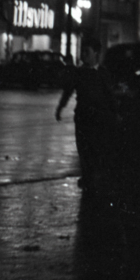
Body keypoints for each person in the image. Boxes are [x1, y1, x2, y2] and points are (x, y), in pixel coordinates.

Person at [55, 37, 119, 198]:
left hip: (99, 118)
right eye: (83, 51)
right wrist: (60, 107)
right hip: (83, 117)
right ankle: (89, 178)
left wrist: (115, 113)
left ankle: (94, 179)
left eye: (87, 52)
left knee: (96, 149)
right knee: (84, 149)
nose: (83, 55)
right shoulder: (80, 73)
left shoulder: (103, 73)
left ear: (95, 54)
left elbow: (110, 95)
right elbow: (68, 91)